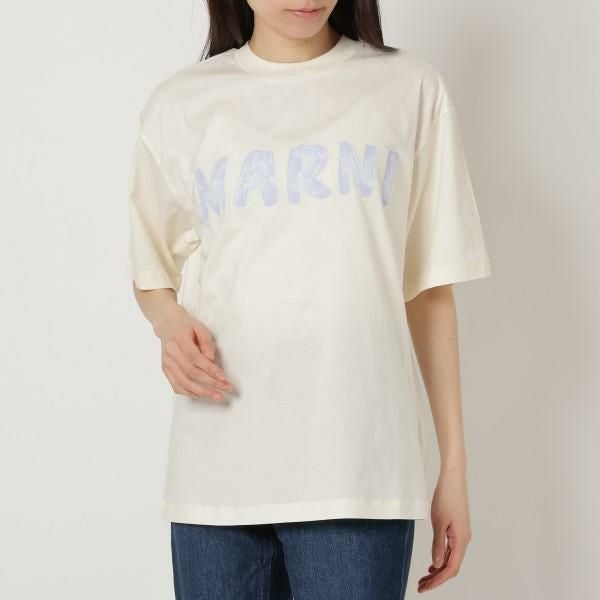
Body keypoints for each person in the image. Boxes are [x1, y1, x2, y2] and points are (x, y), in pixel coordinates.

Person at [126, 1, 492, 598]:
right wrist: (168, 324)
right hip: (216, 472)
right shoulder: (182, 103)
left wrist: (454, 467)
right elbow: (150, 269)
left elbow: (429, 287)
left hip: (357, 471)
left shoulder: (408, 88)